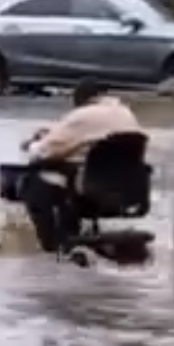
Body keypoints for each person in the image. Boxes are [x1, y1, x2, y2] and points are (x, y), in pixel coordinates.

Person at [20, 80, 142, 254]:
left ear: (78, 101)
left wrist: (34, 143)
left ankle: (51, 245)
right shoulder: (126, 113)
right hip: (124, 189)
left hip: (89, 187)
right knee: (75, 175)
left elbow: (43, 152)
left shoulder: (82, 115)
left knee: (33, 181)